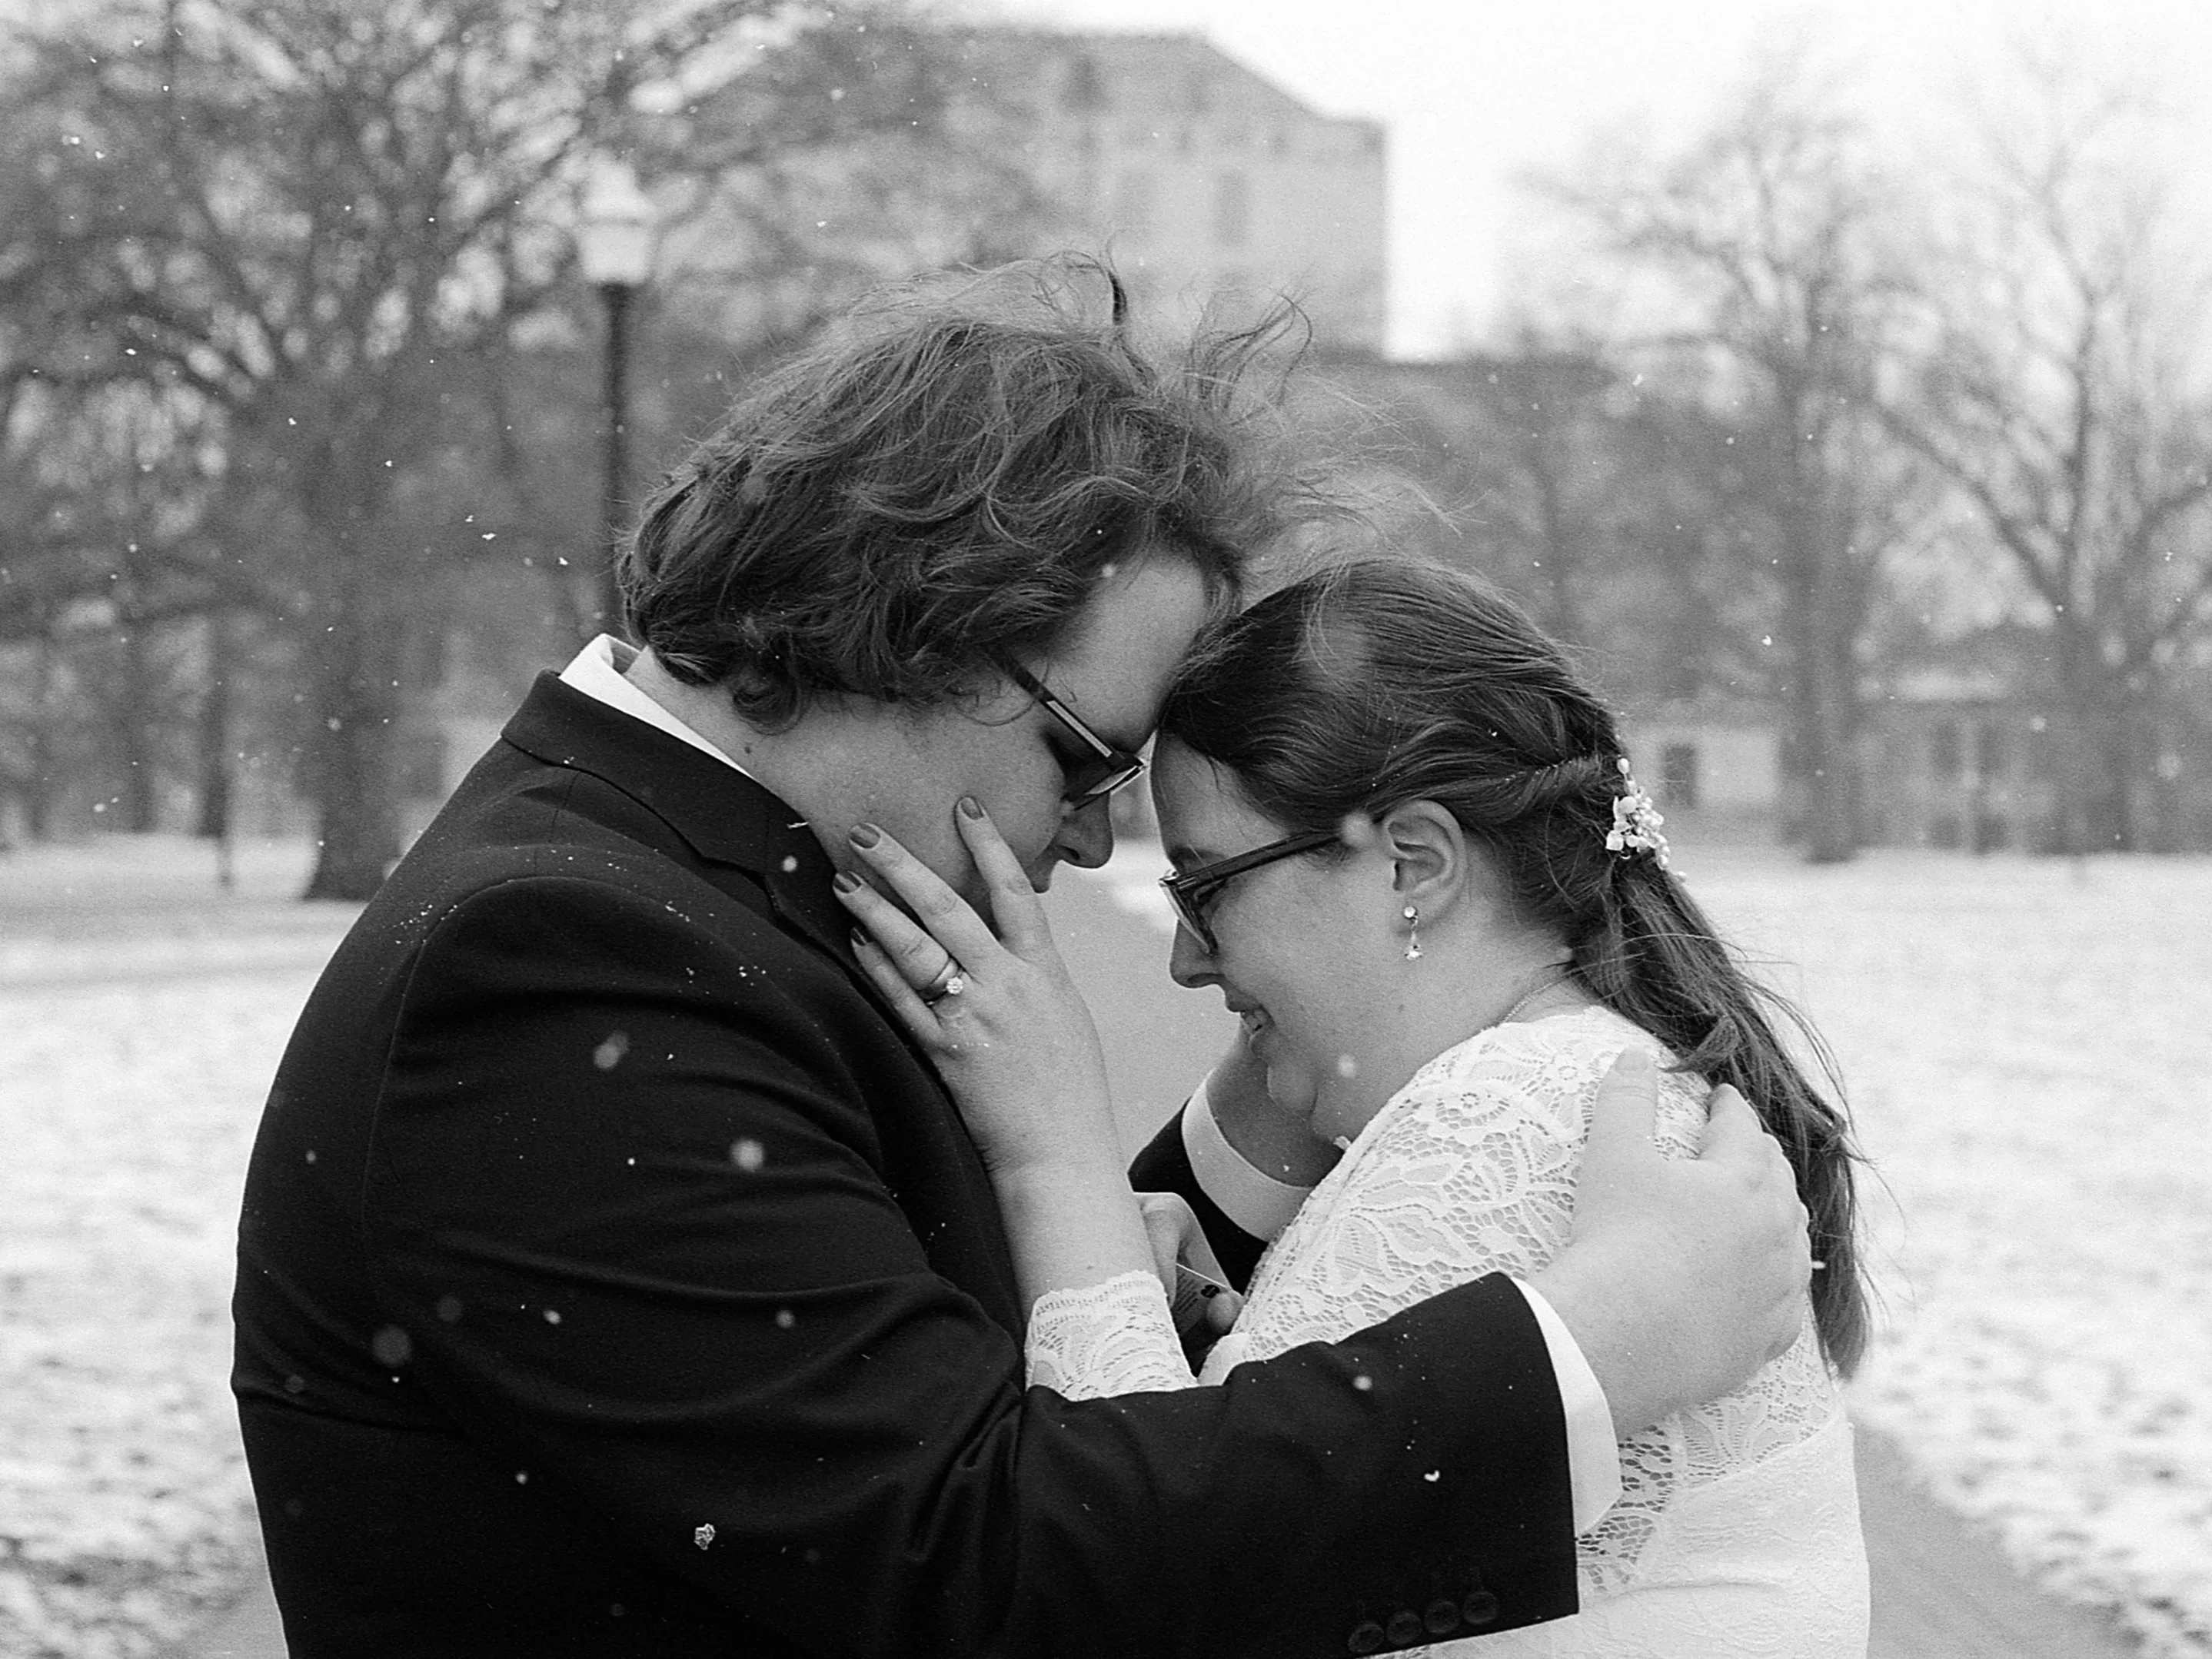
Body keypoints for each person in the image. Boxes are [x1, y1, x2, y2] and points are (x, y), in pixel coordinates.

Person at [233, 262, 1811, 1658]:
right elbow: (977, 1560)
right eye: (1088, 754)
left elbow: (898, 1364)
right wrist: (1593, 1344)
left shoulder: (680, 896)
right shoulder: (557, 962)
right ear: (907, 621)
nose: (1088, 844)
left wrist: (1229, 1156)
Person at [843, 558, 1869, 1655]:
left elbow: (1143, 1582)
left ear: (1413, 864)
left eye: (1207, 885)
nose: (1188, 958)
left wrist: (1052, 1149)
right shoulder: (1587, 1078)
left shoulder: (1509, 1119)